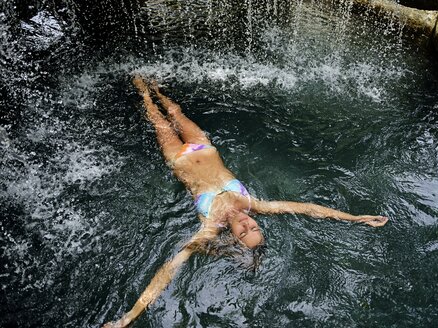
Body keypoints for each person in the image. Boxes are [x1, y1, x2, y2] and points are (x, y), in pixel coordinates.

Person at [103, 76, 388, 327]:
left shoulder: (210, 226)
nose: (246, 224)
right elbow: (306, 209)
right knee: (174, 110)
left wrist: (128, 317)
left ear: (234, 239)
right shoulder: (253, 205)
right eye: (254, 227)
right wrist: (355, 218)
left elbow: (168, 270)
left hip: (178, 158)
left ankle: (141, 86)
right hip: (203, 144)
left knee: (156, 115)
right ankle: (155, 86)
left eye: (243, 232)